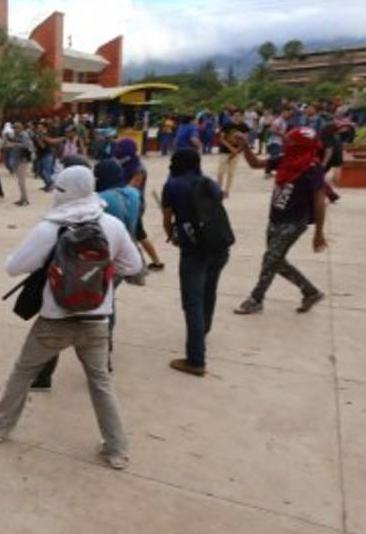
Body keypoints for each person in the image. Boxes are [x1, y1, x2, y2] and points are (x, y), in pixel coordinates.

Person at [0, 166, 142, 469]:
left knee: (24, 371)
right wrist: (101, 272)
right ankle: (117, 448)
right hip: (97, 320)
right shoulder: (111, 224)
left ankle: (0, 427)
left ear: (63, 190)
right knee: (100, 382)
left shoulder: (49, 228)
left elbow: (14, 267)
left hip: (54, 320)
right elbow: (132, 266)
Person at [234, 128, 328, 316]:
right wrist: (245, 145)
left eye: (291, 142)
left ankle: (256, 299)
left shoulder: (312, 167)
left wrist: (319, 232)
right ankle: (311, 292)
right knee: (276, 261)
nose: (287, 144)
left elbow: (320, 202)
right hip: (276, 217)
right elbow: (255, 164)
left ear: (301, 147)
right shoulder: (285, 159)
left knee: (270, 259)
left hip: (295, 221)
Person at [160, 149, 230, 376]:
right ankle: (203, 330)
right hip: (220, 245)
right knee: (210, 290)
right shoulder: (208, 182)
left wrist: (174, 235)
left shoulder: (172, 186)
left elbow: (167, 220)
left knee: (192, 302)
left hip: (194, 251)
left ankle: (195, 360)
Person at [113, 137, 164, 272]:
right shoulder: (123, 164)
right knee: (136, 234)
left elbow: (131, 189)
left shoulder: (139, 169)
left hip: (134, 205)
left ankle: (153, 263)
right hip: (122, 202)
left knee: (138, 234)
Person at [9, 121, 35, 206]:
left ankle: (25, 200)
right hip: (18, 159)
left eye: (16, 127)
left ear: (21, 128)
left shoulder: (24, 135)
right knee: (20, 181)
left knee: (21, 181)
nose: (14, 129)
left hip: (22, 160)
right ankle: (22, 198)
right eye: (14, 128)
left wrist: (14, 144)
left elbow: (25, 145)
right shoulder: (18, 135)